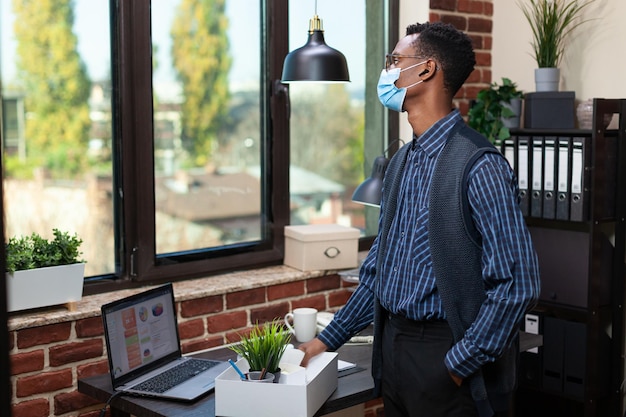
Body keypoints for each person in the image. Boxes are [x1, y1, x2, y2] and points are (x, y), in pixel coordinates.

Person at [298, 21, 540, 417]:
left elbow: (518, 284)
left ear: (426, 70)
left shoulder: (479, 166)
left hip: (445, 355)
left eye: (395, 60)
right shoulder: (399, 164)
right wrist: (326, 341)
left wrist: (459, 364)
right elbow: (378, 272)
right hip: (393, 350)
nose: (388, 70)